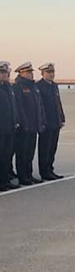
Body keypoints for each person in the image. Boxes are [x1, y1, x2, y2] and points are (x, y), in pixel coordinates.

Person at [12, 62, 45, 185]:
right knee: (22, 153)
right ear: (21, 73)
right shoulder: (18, 87)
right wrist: (23, 123)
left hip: (34, 125)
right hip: (24, 127)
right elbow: (19, 108)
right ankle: (22, 176)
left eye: (31, 72)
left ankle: (29, 174)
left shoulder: (33, 87)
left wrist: (40, 121)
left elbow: (39, 106)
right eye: (28, 72)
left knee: (30, 153)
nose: (31, 74)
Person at [36, 62, 66, 180]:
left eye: (53, 72)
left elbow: (58, 103)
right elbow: (40, 106)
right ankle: (44, 171)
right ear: (43, 73)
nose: (51, 74)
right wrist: (41, 121)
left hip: (55, 121)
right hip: (46, 122)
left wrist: (62, 117)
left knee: (52, 148)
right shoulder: (39, 86)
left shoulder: (54, 86)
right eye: (49, 72)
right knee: (45, 148)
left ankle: (50, 169)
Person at [0, 61, 19, 191]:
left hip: (9, 128)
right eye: (2, 72)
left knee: (6, 156)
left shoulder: (8, 88)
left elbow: (13, 108)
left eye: (6, 72)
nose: (4, 75)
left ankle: (5, 179)